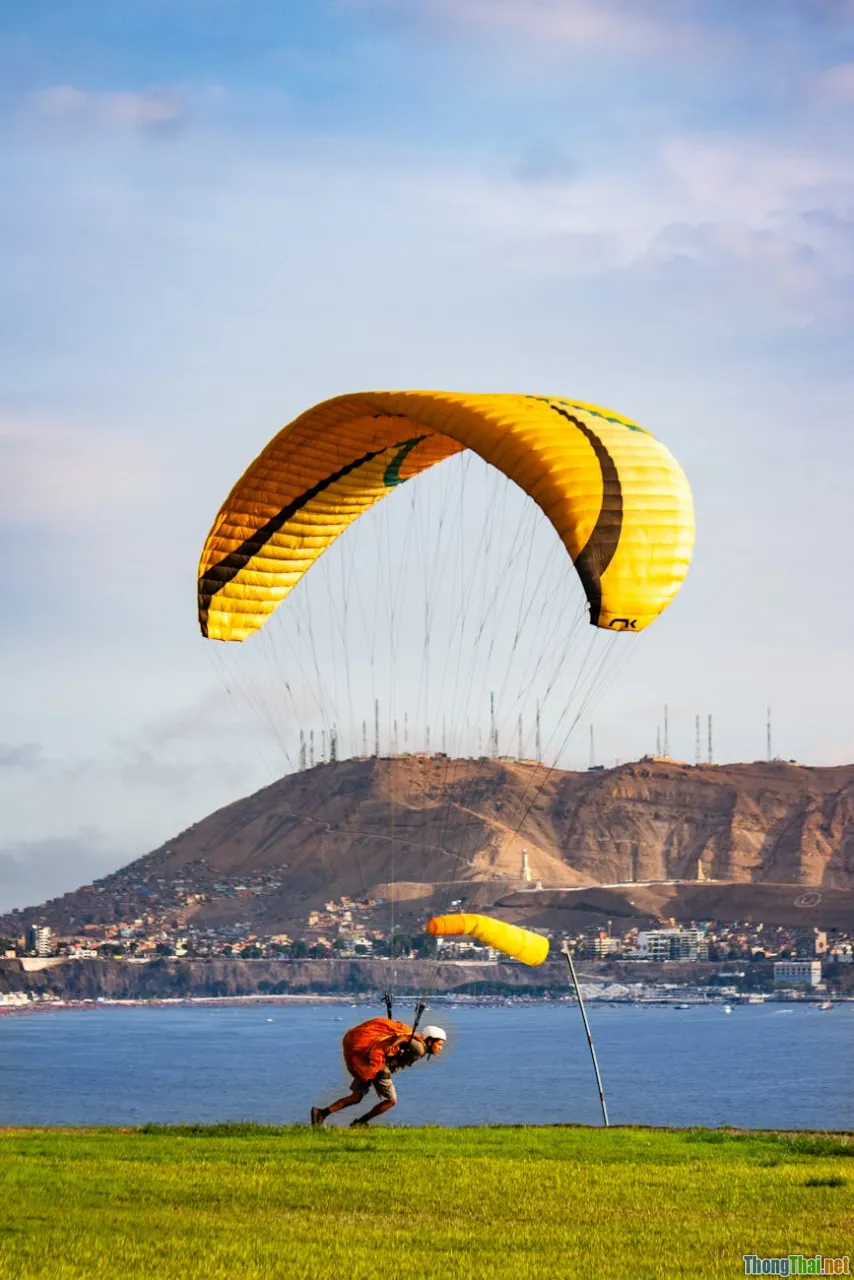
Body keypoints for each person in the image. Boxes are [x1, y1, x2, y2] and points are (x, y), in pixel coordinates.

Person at [311, 1017, 447, 1127]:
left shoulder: (418, 1045)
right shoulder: (419, 1048)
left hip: (370, 1063)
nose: (440, 1048)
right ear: (429, 1041)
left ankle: (321, 1113)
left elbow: (403, 1042)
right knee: (391, 1101)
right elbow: (404, 1039)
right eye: (439, 1044)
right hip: (380, 1068)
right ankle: (360, 1123)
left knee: (356, 1097)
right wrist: (392, 1046)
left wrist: (394, 1049)